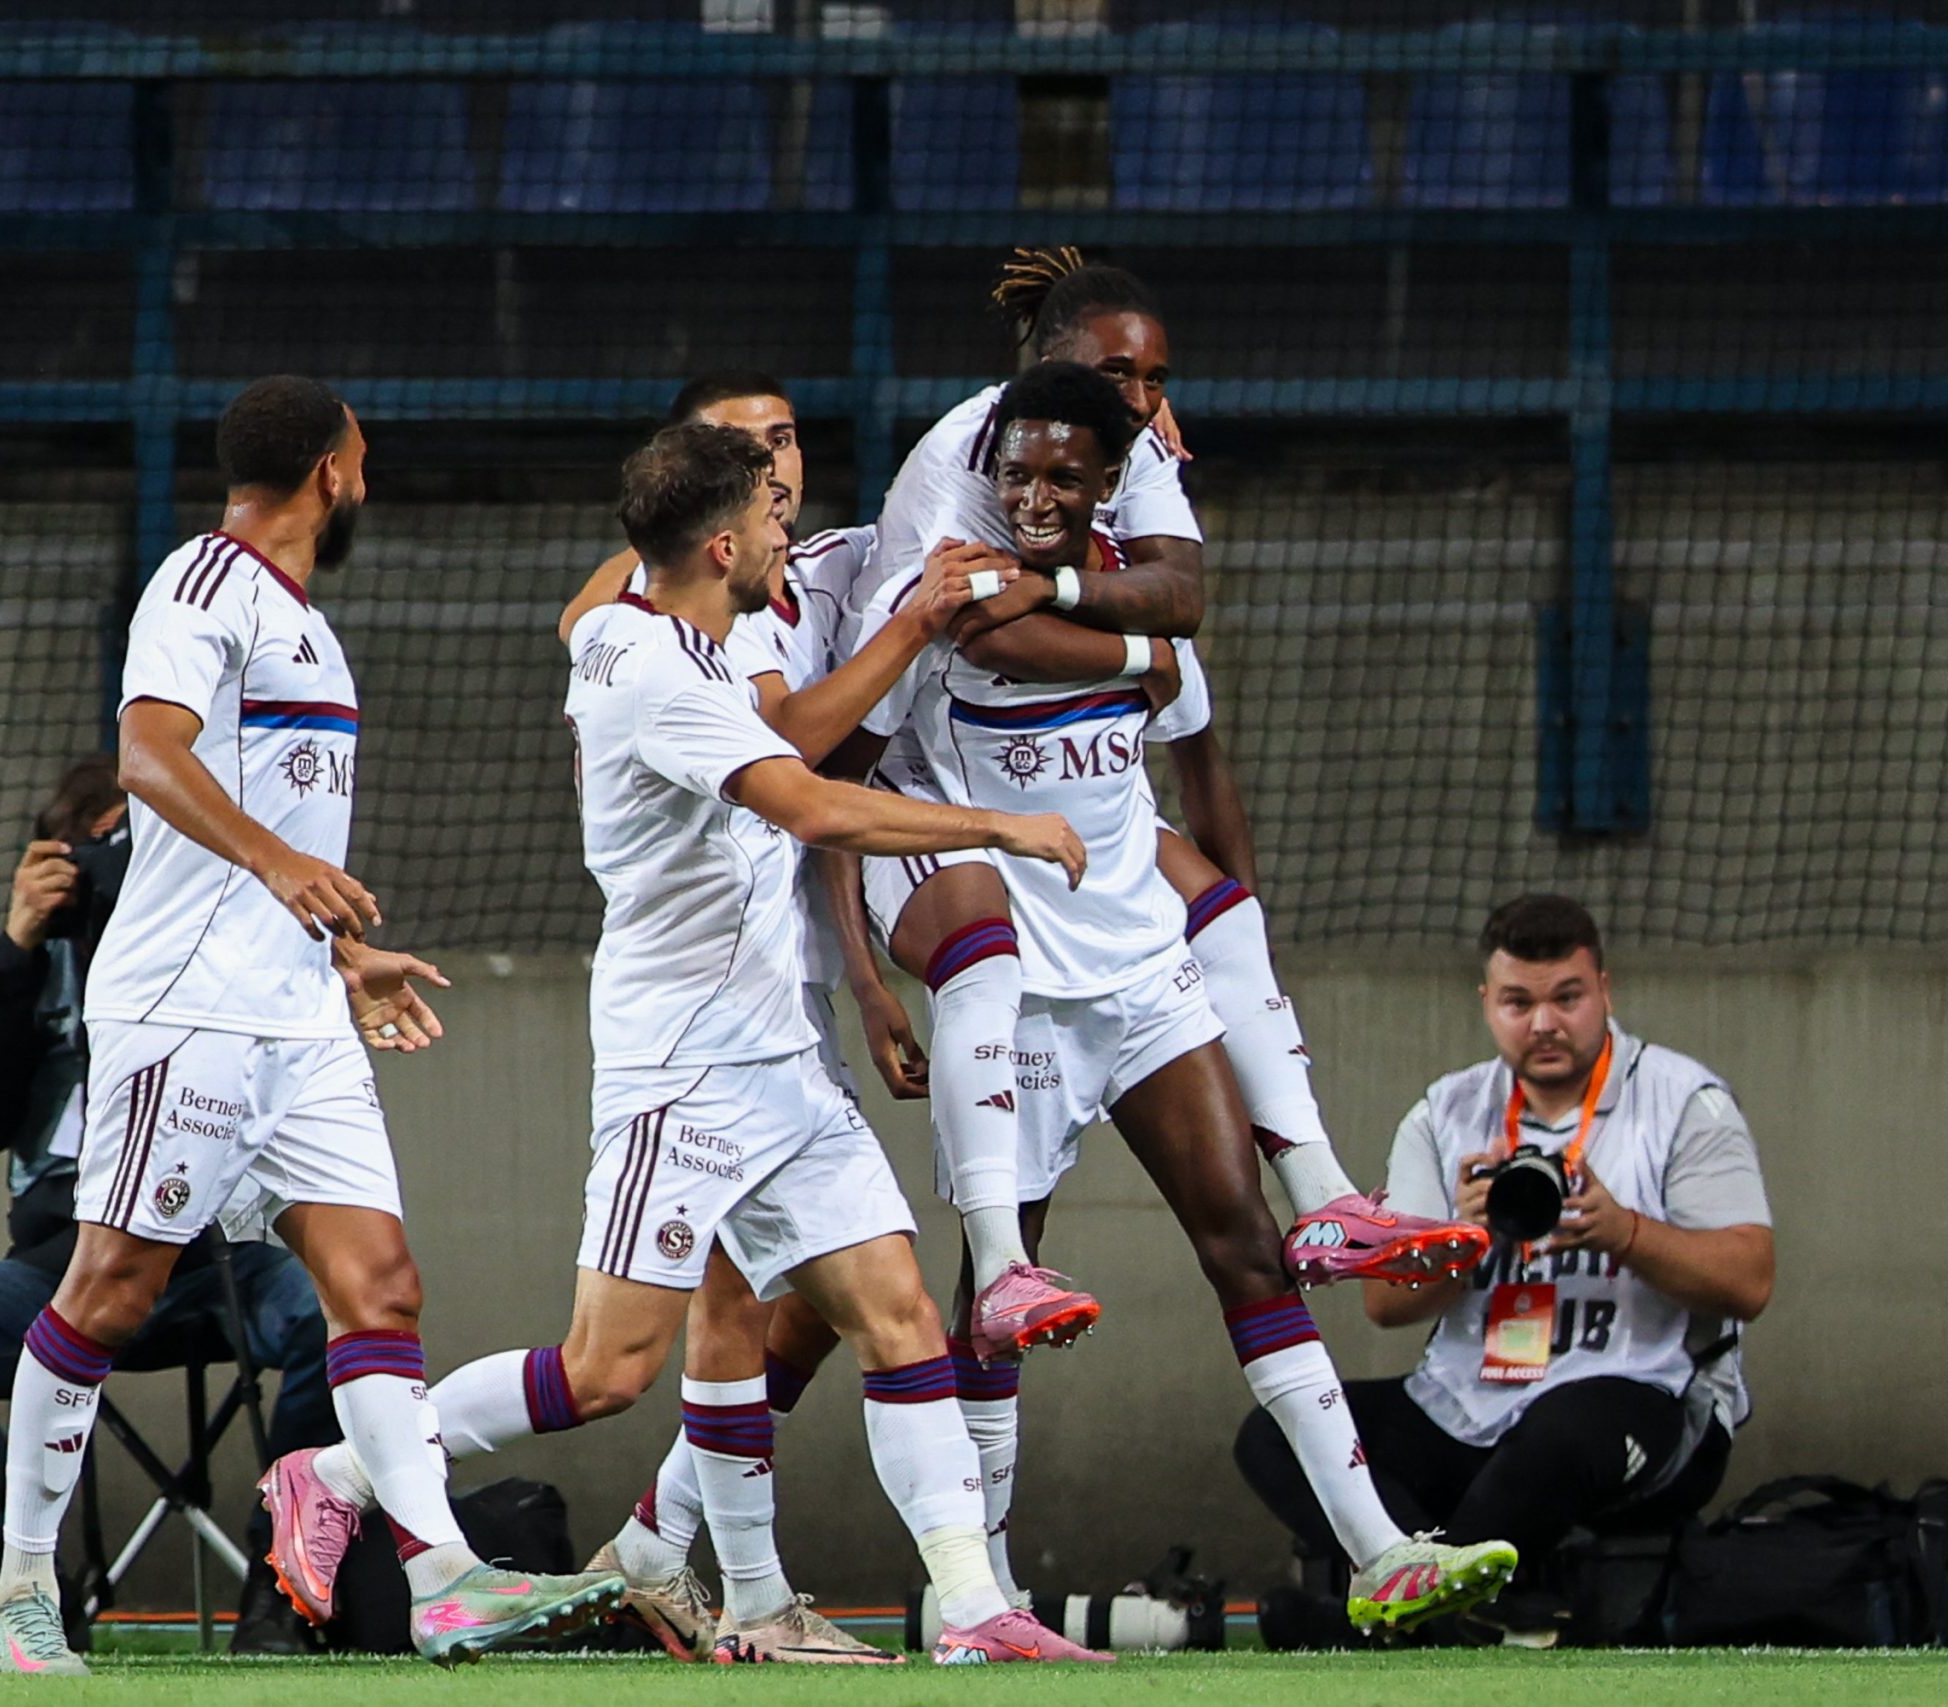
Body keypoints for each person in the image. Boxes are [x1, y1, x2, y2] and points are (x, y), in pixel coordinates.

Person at [270, 420, 1115, 1665]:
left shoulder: (630, 624)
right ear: (722, 546)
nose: (789, 530)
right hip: (682, 1074)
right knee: (606, 1370)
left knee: (896, 1316)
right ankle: (341, 1471)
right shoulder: (662, 679)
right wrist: (1004, 823)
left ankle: (969, 1610)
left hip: (778, 1057)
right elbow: (812, 802)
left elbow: (610, 592)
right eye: (770, 516)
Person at [839, 361, 1520, 1635]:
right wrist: (868, 971)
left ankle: (1379, 1553)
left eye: (1063, 477)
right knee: (1004, 1283)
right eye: (1018, 472)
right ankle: (968, 1593)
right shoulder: (936, 598)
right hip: (1021, 986)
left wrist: (1236, 934)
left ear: (1106, 487)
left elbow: (1194, 748)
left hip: (1142, 975)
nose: (1034, 494)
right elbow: (835, 789)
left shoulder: (1139, 616)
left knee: (1247, 1247)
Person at [0, 375, 623, 1675]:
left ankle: (442, 1574)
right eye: (363, 460)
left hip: (298, 1010)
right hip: (186, 1007)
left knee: (379, 1283)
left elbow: (270, 824)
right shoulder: (201, 585)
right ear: (332, 470)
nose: (366, 482)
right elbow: (150, 755)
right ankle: (22, 1591)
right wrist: (280, 871)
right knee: (111, 1286)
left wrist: (342, 948)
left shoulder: (304, 624)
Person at [0, 755, 332, 1657]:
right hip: (63, 1264)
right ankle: (28, 1596)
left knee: (335, 1319)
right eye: (92, 849)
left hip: (219, 1254)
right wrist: (18, 943)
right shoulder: (40, 962)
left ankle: (285, 1594)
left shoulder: (231, 947)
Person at [1235, 894, 1776, 1646]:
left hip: (1644, 1393)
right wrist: (1463, 1235)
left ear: (1604, 992)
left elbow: (1750, 1280)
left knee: (1558, 1433)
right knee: (1281, 1431)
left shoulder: (1683, 1101)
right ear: (1487, 1002)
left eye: (1567, 998)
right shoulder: (1445, 1111)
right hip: (1470, 1400)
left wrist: (1626, 1232)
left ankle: (1399, 1625)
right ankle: (1461, 1605)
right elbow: (1387, 1307)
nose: (1545, 1023)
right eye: (1519, 1001)